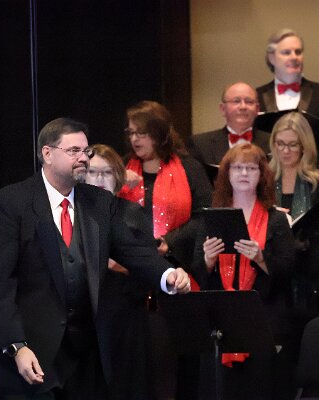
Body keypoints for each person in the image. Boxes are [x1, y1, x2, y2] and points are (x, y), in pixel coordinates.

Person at [0, 117, 190, 400]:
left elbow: (132, 250)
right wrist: (16, 346)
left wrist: (167, 275)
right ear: (47, 153)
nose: (83, 158)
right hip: (31, 350)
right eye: (73, 151)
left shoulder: (99, 202)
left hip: (86, 355)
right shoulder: (11, 203)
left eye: (86, 151)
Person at [118, 101, 212, 399]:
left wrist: (170, 240)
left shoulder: (189, 167)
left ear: (159, 133)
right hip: (131, 277)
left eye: (142, 133)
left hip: (179, 270)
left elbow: (204, 216)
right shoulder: (122, 168)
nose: (135, 139)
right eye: (131, 133)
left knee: (181, 360)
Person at [193, 143, 296, 399]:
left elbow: (288, 270)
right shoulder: (212, 217)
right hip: (221, 319)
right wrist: (208, 260)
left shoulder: (276, 219)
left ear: (262, 175)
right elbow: (197, 271)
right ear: (227, 174)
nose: (243, 173)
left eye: (251, 168)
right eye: (237, 167)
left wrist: (261, 258)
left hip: (264, 318)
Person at [85, 143, 154, 400]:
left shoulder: (133, 214)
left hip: (126, 317)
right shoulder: (71, 214)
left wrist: (125, 265)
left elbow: (149, 271)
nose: (99, 179)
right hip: (84, 318)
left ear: (117, 177)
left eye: (107, 172)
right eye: (93, 172)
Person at [269, 111, 319, 318]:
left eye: (292, 145)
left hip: (310, 270)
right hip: (274, 273)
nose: (285, 151)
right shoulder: (264, 181)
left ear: (304, 146)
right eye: (280, 144)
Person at [256, 29, 319, 117]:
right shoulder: (256, 97)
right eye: (286, 53)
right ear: (271, 58)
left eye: (298, 52)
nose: (294, 57)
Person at [187, 82, 270, 169]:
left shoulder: (272, 142)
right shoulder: (200, 144)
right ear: (223, 109)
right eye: (236, 101)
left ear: (257, 109)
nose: (243, 107)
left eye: (249, 102)